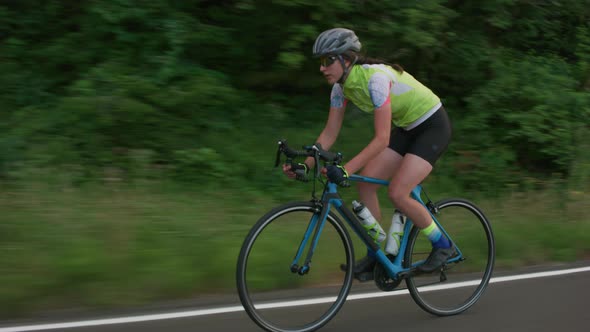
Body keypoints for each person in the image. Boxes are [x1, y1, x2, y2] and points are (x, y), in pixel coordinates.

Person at [283, 28, 454, 279]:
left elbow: (382, 139)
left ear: (346, 59)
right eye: (321, 62)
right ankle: (376, 254)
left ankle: (443, 246)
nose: (322, 68)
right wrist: (306, 165)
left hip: (432, 126)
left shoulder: (375, 80)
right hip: (407, 128)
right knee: (365, 184)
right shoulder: (340, 89)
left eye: (328, 60)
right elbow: (329, 134)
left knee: (398, 192)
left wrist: (345, 170)